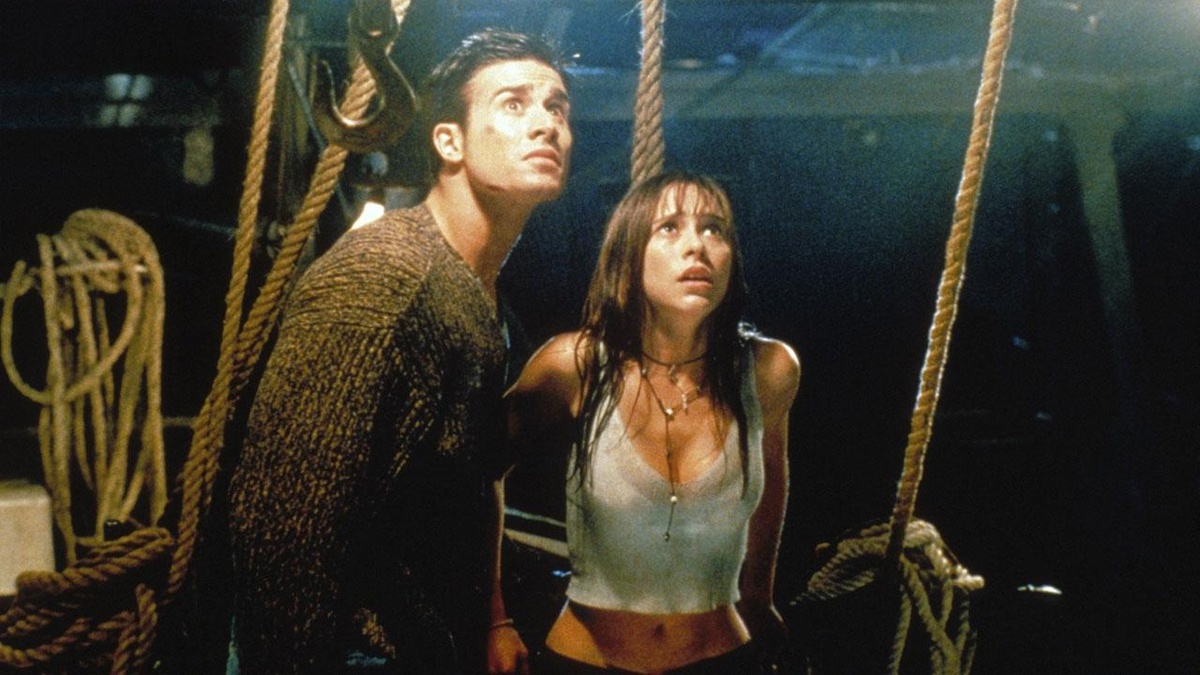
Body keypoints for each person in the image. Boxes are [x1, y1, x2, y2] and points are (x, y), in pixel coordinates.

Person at [227, 28, 573, 674]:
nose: (546, 124)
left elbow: (467, 483)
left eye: (557, 107)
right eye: (514, 104)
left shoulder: (472, 290)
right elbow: (284, 526)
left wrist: (493, 619)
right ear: (449, 141)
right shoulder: (385, 278)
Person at [493, 171, 800, 674]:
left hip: (722, 659)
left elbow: (772, 480)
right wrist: (495, 620)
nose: (697, 246)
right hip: (584, 661)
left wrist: (758, 596)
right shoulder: (574, 366)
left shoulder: (769, 371)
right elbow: (478, 471)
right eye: (669, 228)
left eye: (714, 229)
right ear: (629, 255)